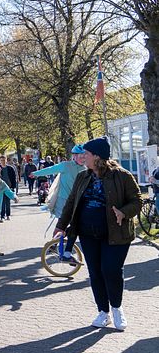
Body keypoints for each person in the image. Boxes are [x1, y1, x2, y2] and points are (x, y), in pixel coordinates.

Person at [54, 136, 141, 330]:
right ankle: (103, 312)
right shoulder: (82, 177)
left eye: (87, 154)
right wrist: (61, 226)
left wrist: (123, 212)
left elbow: (137, 201)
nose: (83, 157)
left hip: (115, 233)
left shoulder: (122, 175)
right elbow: (71, 203)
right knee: (95, 273)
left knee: (111, 271)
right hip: (87, 233)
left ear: (98, 156)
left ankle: (117, 309)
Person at [0, 156, 18, 221]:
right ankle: (2, 216)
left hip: (9, 187)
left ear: (6, 160)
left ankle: (8, 215)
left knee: (8, 202)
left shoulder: (10, 168)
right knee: (2, 202)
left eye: (4, 160)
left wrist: (13, 187)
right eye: (1, 160)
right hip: (0, 188)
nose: (3, 161)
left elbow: (13, 178)